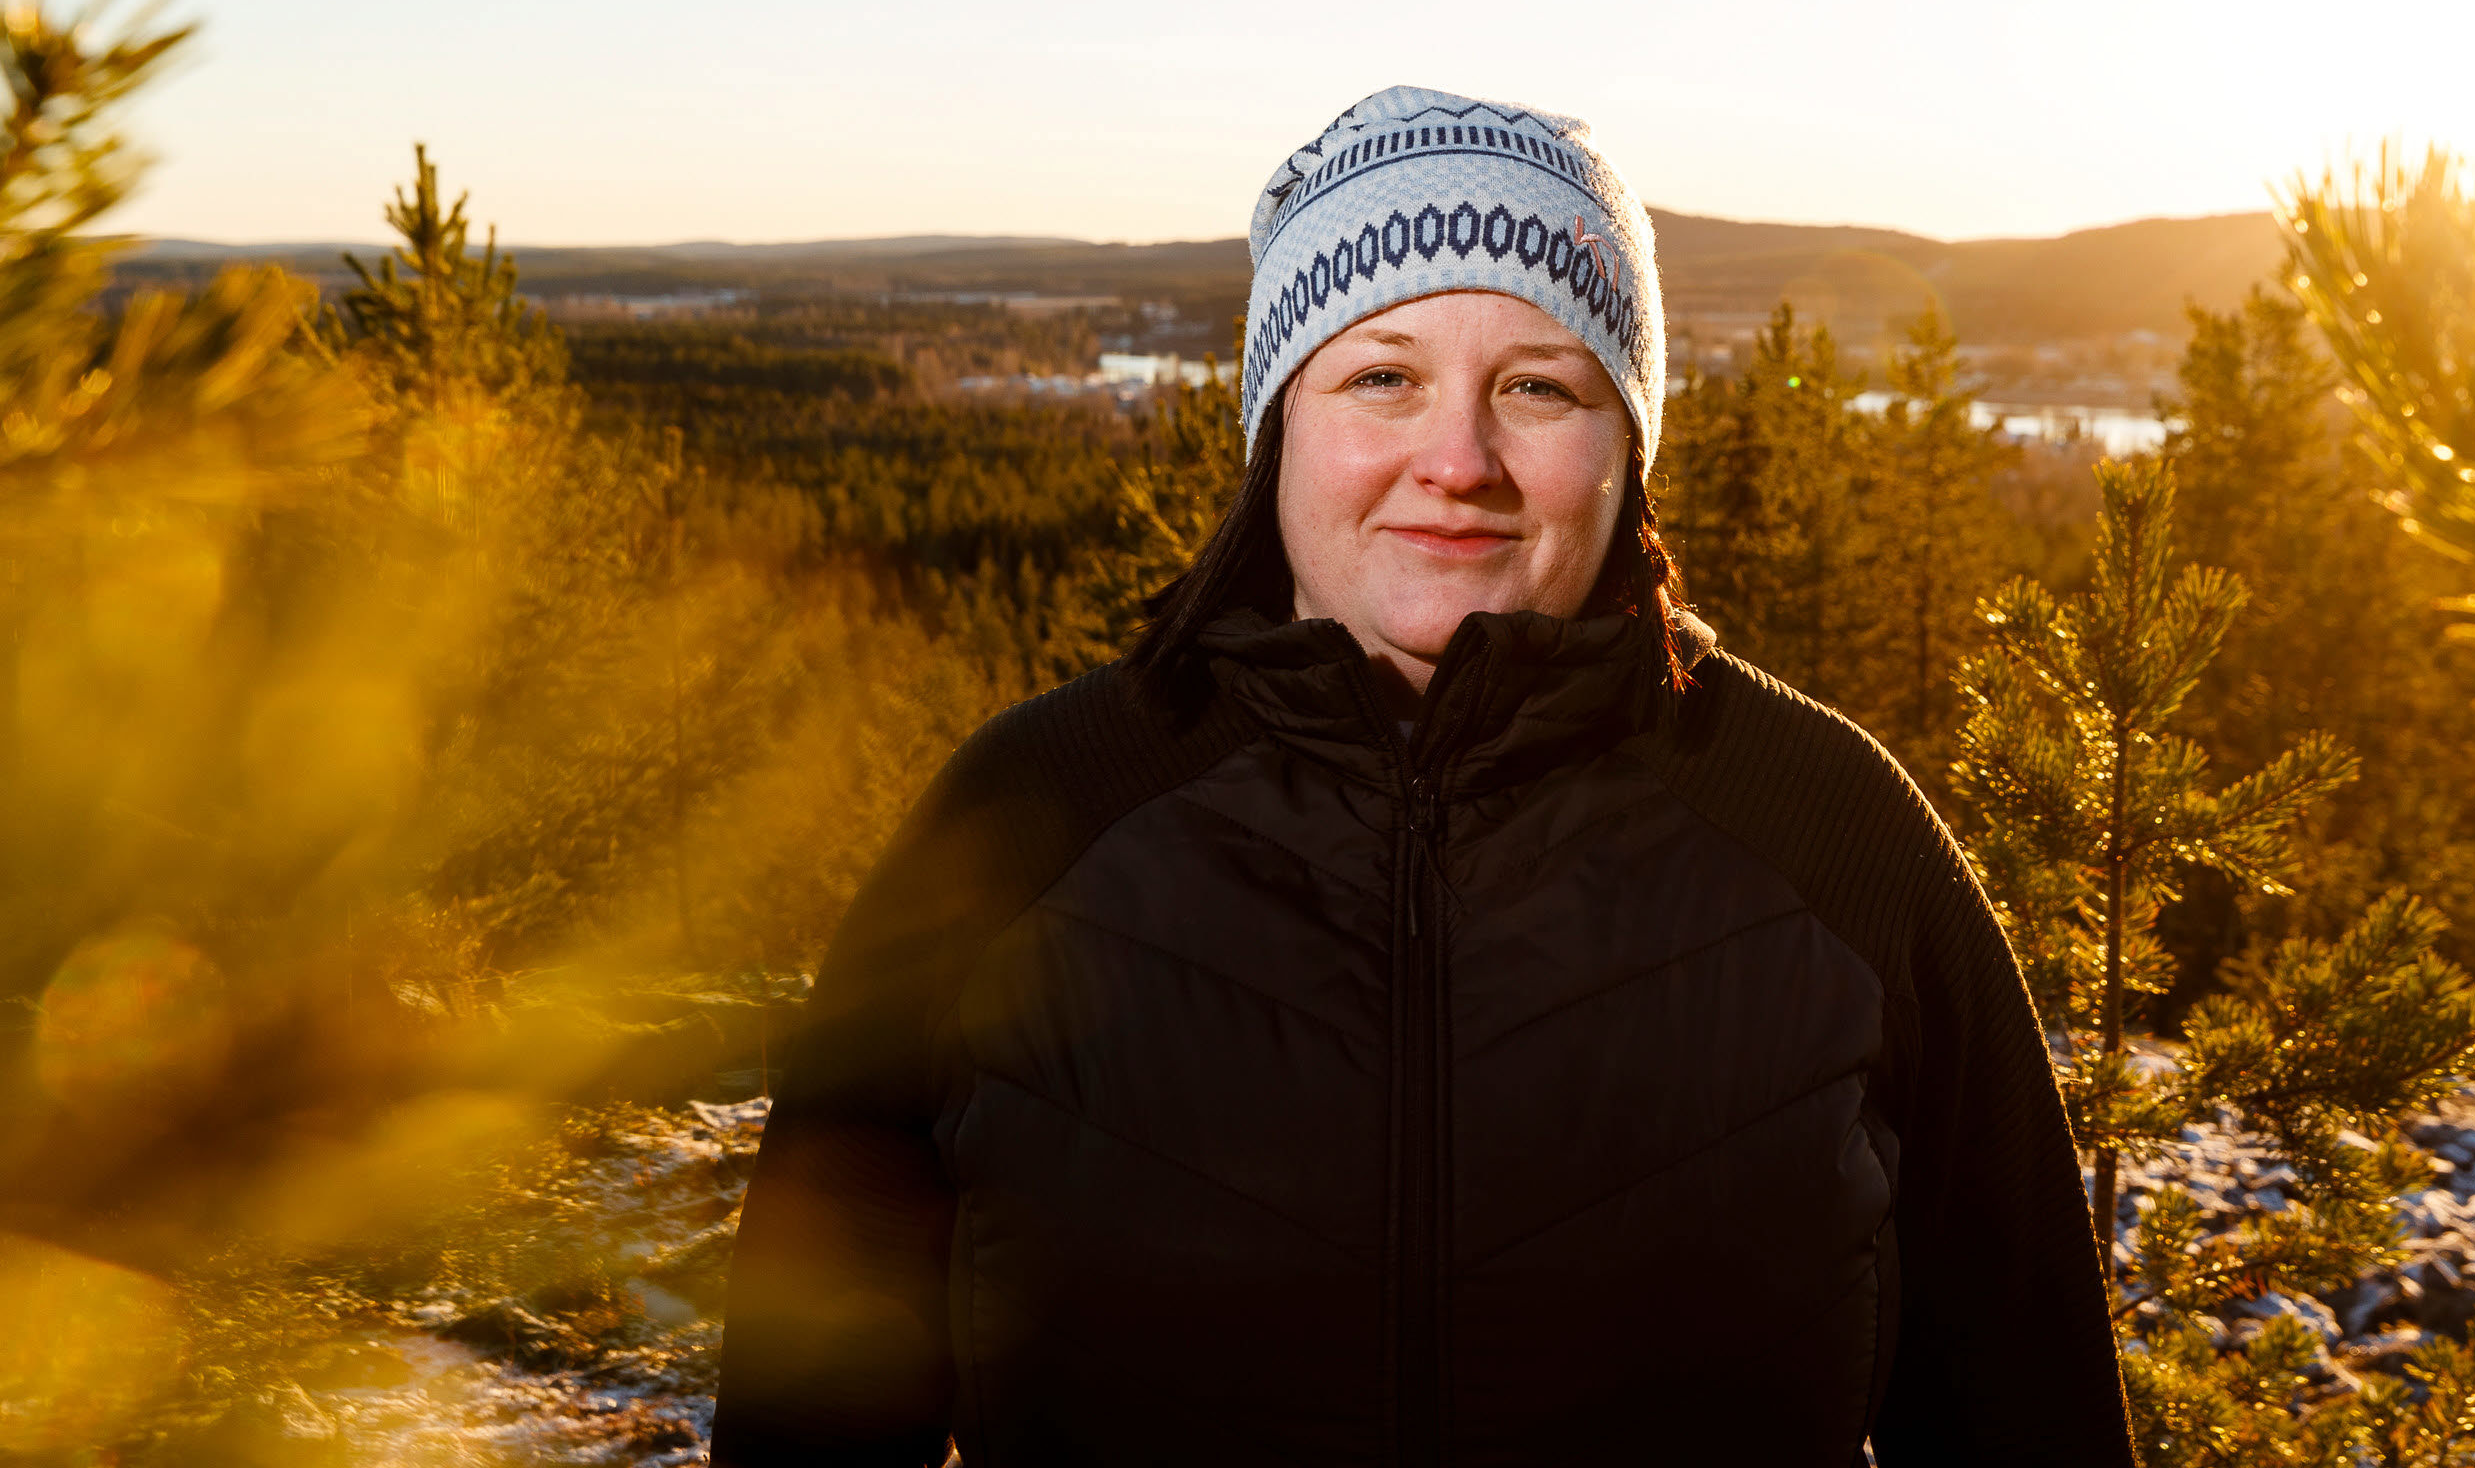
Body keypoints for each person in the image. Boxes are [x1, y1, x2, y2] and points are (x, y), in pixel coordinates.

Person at [711, 87, 2137, 1466]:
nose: (1457, 460)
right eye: (1381, 376)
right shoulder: (1033, 821)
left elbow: (2032, 1422)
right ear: (1279, 423)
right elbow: (809, 1413)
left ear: (1623, 449)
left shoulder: (1826, 834)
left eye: (1537, 386)